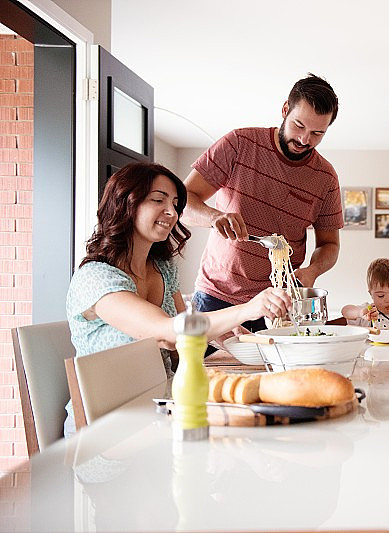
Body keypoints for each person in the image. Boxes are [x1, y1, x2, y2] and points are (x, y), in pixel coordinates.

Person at [65, 162, 292, 436]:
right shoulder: (95, 279)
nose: (172, 213)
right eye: (158, 200)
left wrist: (226, 337)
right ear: (126, 204)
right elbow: (167, 334)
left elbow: (179, 344)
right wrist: (247, 309)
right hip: (108, 427)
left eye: (175, 203)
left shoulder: (162, 268)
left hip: (159, 407)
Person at [182, 73, 344, 333]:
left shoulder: (325, 177)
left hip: (279, 303)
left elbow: (330, 245)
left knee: (278, 374)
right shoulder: (239, 144)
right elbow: (183, 203)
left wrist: (312, 271)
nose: (304, 140)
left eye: (317, 133)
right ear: (284, 110)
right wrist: (214, 217)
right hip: (218, 297)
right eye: (299, 125)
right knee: (211, 372)